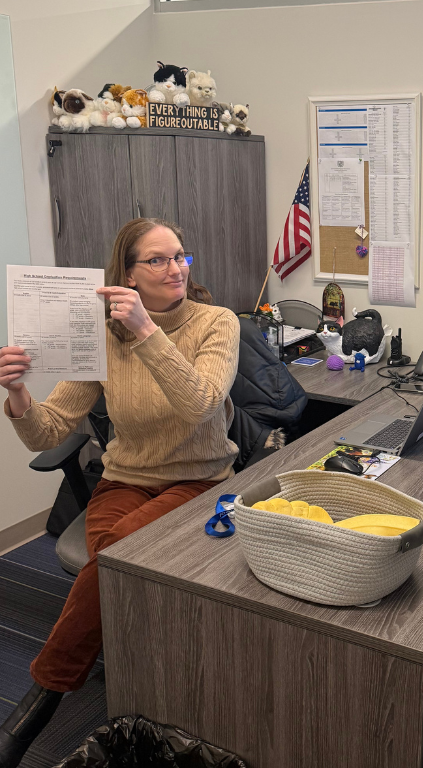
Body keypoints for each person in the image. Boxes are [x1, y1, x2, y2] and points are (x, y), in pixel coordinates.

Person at [0, 219, 240, 766]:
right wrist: (17, 393)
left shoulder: (216, 323)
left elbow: (201, 401)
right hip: (125, 478)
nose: (176, 268)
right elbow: (48, 428)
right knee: (118, 559)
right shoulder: (102, 335)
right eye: (157, 260)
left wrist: (148, 333)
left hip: (199, 479)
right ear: (126, 274)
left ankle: (38, 701)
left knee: (119, 550)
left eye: (181, 256)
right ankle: (139, 673)